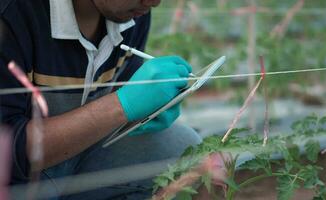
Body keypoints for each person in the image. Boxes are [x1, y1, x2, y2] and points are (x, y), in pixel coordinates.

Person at [0, 0, 202, 199]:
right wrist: (121, 105)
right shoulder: (11, 16)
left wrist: (147, 111)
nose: (153, 2)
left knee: (185, 151)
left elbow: (117, 104)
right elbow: (9, 153)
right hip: (17, 180)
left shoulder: (130, 14)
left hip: (81, 157)